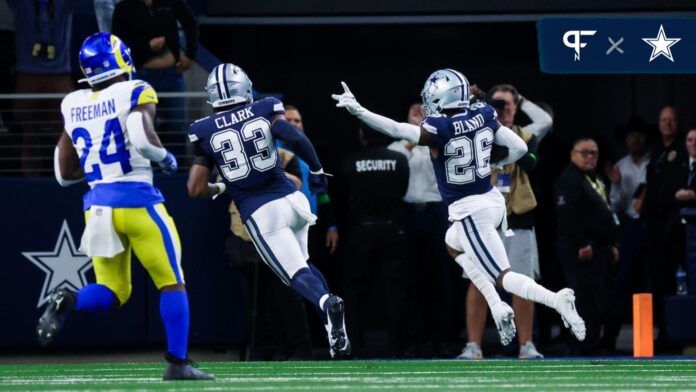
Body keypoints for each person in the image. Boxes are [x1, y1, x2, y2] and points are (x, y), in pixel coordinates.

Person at [331, 69, 586, 349]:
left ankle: (557, 300)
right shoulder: (485, 113)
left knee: (504, 276)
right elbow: (519, 149)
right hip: (492, 200)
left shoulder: (439, 128)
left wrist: (358, 111)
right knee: (452, 244)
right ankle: (498, 307)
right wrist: (497, 164)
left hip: (470, 209)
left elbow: (395, 128)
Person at [37, 33, 213, 380]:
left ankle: (68, 300)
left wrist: (97, 173)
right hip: (137, 200)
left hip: (97, 207)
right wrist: (165, 157)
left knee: (112, 291)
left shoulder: (72, 102)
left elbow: (61, 172)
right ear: (120, 61)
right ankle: (178, 363)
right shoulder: (136, 90)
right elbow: (139, 132)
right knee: (171, 282)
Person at [186, 63, 350, 358]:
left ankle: (327, 303)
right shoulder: (264, 107)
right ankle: (331, 325)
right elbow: (297, 139)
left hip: (262, 214)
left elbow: (196, 189)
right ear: (244, 87)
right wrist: (317, 169)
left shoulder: (204, 130)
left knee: (294, 275)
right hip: (293, 202)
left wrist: (221, 187)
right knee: (305, 265)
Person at [459, 84, 552, 360]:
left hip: (519, 217)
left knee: (520, 282)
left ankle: (527, 345)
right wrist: (473, 101)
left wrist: (521, 99)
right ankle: (473, 345)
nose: (505, 108)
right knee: (478, 280)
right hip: (484, 217)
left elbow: (536, 149)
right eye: (499, 103)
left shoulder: (526, 135)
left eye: (510, 104)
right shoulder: (475, 132)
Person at [227, 147, 313, 360]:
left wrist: (264, 171)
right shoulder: (231, 154)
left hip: (279, 235)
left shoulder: (286, 156)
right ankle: (261, 349)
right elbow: (217, 181)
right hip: (245, 235)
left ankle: (300, 349)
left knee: (289, 295)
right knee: (253, 298)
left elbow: (296, 185)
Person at [388, 103, 459, 357]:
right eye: (413, 113)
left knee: (440, 278)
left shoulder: (438, 144)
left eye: (422, 113)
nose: (419, 116)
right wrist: (415, 133)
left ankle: (442, 339)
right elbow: (398, 161)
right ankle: (412, 341)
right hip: (408, 214)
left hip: (436, 212)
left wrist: (427, 132)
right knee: (409, 280)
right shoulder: (397, 148)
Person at [341, 125, 410, 357]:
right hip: (392, 230)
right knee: (395, 289)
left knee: (354, 291)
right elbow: (403, 190)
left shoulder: (350, 161)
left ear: (362, 137)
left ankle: (353, 345)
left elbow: (344, 194)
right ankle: (397, 346)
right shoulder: (399, 159)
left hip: (361, 232)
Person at [554, 138, 619, 355]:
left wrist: (612, 243)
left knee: (596, 300)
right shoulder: (569, 179)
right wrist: (581, 243)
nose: (590, 157)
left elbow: (606, 210)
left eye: (594, 153)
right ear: (573, 154)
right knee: (583, 300)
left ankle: (591, 343)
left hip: (599, 248)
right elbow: (567, 214)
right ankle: (581, 346)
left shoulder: (595, 177)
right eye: (585, 152)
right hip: (581, 249)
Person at [8, 0, 77, 175]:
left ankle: (67, 180)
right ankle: (30, 185)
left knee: (64, 134)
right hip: (28, 74)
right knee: (29, 134)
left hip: (59, 75)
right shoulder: (22, 4)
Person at [112, 0, 198, 137]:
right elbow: (118, 45)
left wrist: (190, 55)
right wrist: (147, 46)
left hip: (172, 75)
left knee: (177, 127)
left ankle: (178, 159)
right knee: (143, 130)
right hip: (142, 77)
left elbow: (190, 23)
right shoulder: (123, 7)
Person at [602, 125, 650, 350]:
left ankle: (655, 336)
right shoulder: (621, 166)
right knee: (621, 282)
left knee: (650, 281)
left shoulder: (655, 161)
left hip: (653, 225)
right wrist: (616, 183)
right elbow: (614, 206)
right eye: (632, 135)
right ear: (626, 140)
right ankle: (610, 336)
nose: (636, 139)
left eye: (639, 135)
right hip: (629, 227)